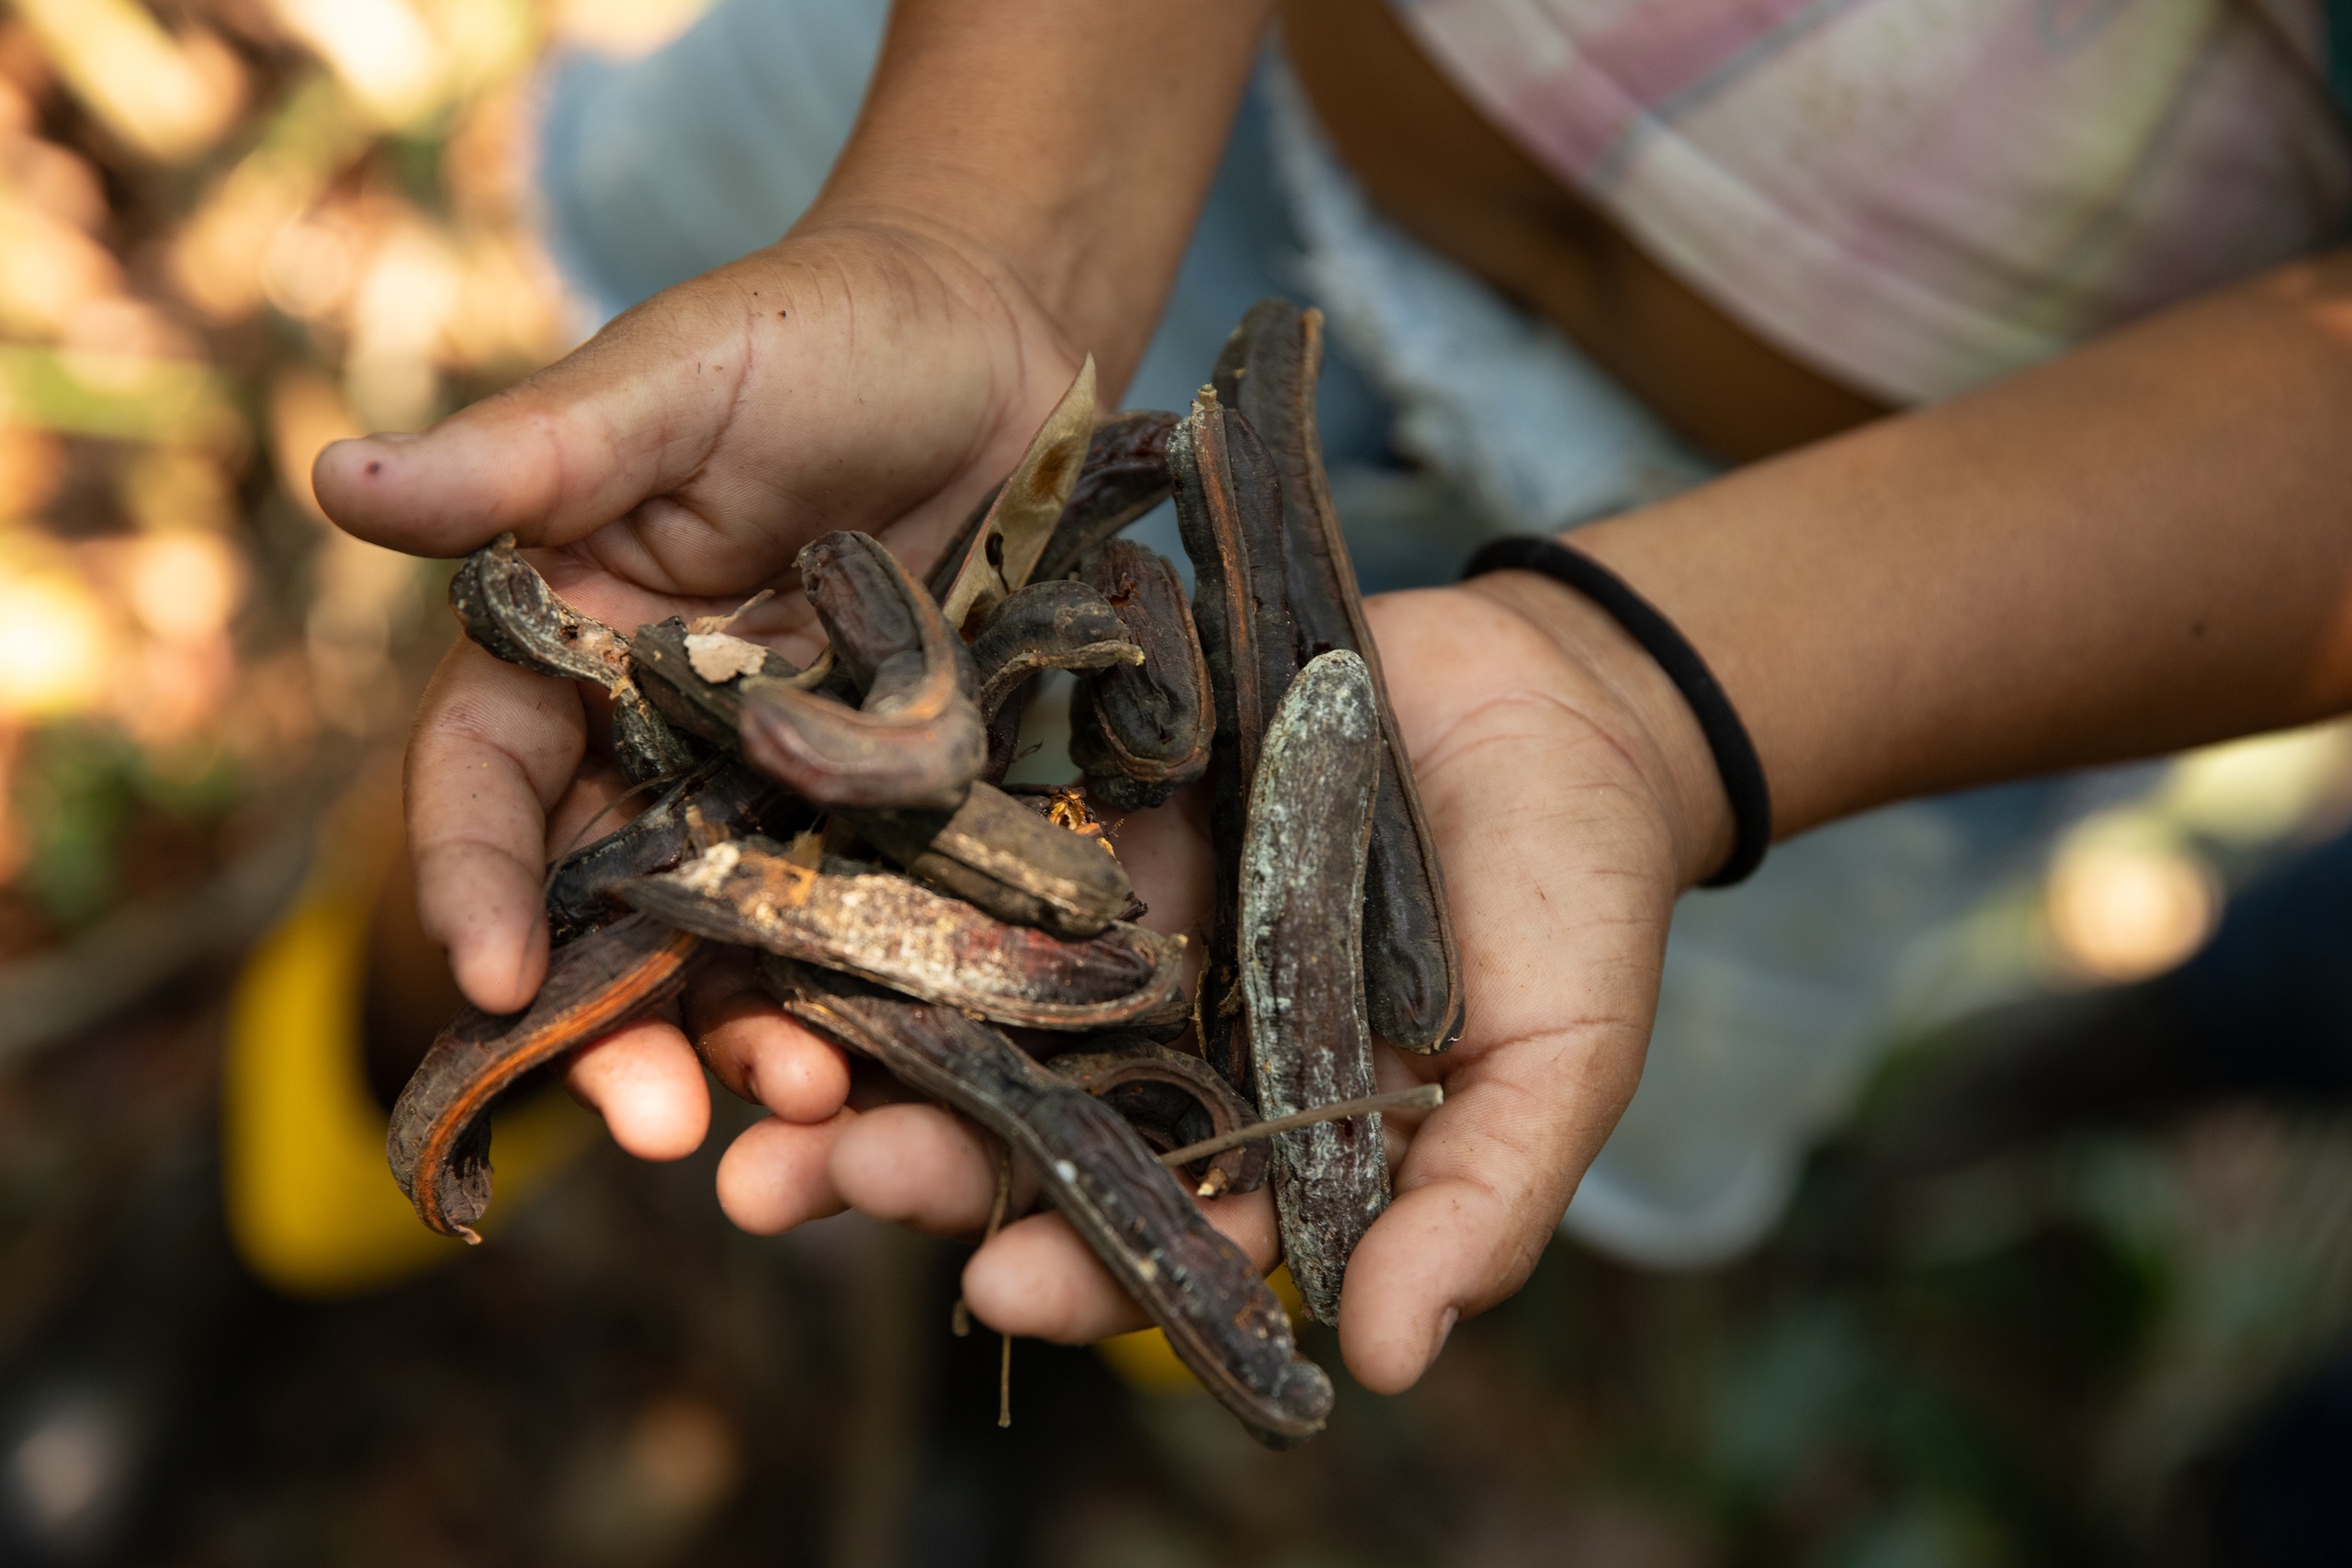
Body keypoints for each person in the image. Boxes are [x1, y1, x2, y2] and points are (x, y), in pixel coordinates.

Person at [313, 0, 2352, 1396]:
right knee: (550, 829)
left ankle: (1023, 1377)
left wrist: (1659, 697)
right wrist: (983, 222)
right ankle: (297, 1192)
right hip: (1117, 120)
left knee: (1260, 1150)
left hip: (1938, 578)